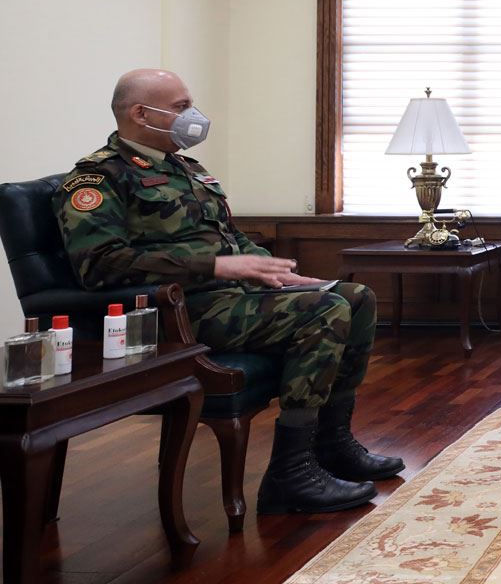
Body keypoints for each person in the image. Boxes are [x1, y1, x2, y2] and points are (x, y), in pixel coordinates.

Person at [55, 69, 404, 515]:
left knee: (356, 298)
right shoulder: (97, 179)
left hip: (229, 298)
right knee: (325, 311)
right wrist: (215, 265)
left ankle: (334, 444)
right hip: (173, 314)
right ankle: (290, 475)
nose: (194, 115)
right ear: (142, 113)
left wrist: (272, 271)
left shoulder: (185, 168)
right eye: (181, 107)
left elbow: (230, 237)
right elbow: (100, 264)